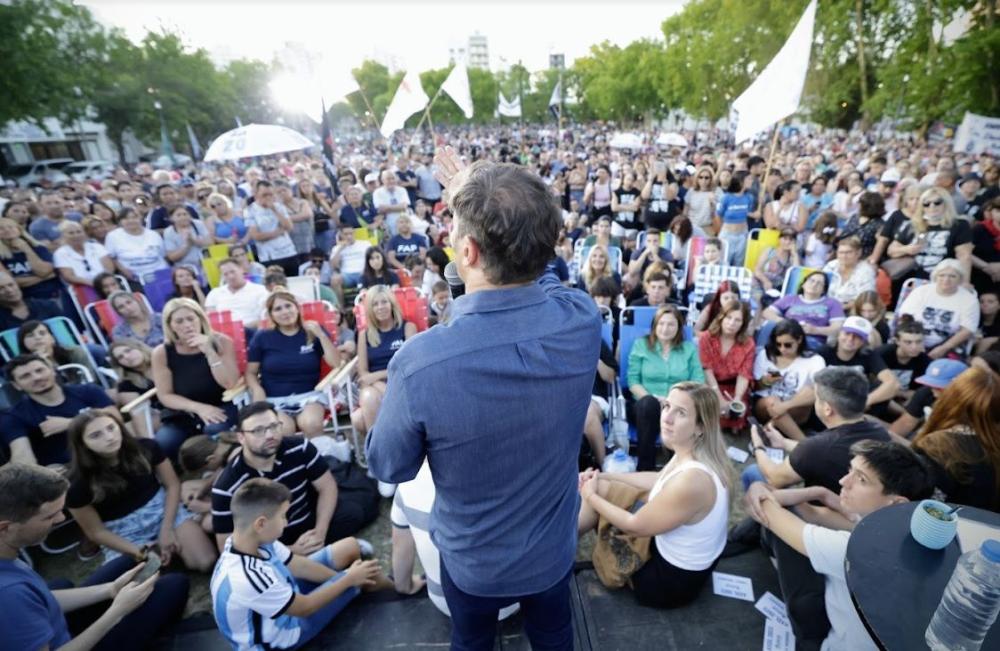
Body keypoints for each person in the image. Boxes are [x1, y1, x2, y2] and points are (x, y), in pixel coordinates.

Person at [367, 151, 601, 651]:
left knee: (471, 641)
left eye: (454, 232)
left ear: (468, 252)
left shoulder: (419, 363)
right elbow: (535, 278)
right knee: (555, 635)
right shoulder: (581, 318)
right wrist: (482, 198)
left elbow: (389, 464)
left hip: (474, 563)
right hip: (552, 552)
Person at [744, 440, 933, 651]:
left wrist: (756, 487)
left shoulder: (859, 549)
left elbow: (767, 512)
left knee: (761, 488)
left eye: (861, 479)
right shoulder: (904, 531)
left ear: (897, 503)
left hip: (827, 642)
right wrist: (819, 493)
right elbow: (818, 514)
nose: (844, 481)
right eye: (850, 470)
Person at [0, 463, 189, 651]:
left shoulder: (6, 553)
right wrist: (117, 612)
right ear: (5, 528)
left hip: (48, 625)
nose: (61, 519)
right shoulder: (9, 594)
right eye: (49, 517)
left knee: (125, 562)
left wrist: (110, 590)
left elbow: (41, 599)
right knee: (174, 585)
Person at [577, 383, 733, 608]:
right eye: (667, 406)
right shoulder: (695, 453)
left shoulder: (693, 480)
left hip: (665, 584)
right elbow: (657, 480)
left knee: (598, 496)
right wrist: (605, 478)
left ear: (700, 427)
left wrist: (590, 495)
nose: (666, 418)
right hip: (684, 568)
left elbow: (634, 525)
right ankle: (560, 545)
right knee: (601, 487)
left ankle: (553, 554)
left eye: (681, 413)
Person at [210, 477, 383, 651]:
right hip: (283, 636)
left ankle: (374, 584)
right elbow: (304, 608)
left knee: (349, 548)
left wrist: (341, 577)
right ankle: (402, 587)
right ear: (261, 523)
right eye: (283, 516)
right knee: (363, 575)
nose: (286, 522)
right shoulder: (247, 577)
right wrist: (347, 580)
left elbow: (298, 565)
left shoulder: (251, 541)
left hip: (285, 598)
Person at [211, 402, 378, 554]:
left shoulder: (300, 447)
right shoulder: (226, 485)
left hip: (308, 521)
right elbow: (226, 544)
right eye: (258, 430)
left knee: (352, 513)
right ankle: (323, 554)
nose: (269, 435)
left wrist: (320, 531)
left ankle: (322, 548)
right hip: (269, 540)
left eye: (274, 426)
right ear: (241, 437)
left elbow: (327, 487)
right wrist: (290, 552)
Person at [65, 411, 217, 570]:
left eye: (111, 428)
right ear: (82, 444)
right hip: (122, 532)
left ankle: (177, 548)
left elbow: (172, 485)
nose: (109, 437)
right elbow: (96, 532)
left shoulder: (145, 446)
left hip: (162, 511)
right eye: (96, 435)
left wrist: (167, 530)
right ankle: (171, 554)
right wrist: (139, 551)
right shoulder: (76, 483)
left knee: (205, 562)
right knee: (147, 580)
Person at [746, 366, 891, 493]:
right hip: (854, 513)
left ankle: (763, 524)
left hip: (819, 516)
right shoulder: (880, 432)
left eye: (816, 398)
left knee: (752, 472)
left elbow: (774, 478)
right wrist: (784, 442)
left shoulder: (819, 447)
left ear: (827, 409)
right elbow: (830, 454)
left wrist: (758, 446)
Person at [151, 298, 240, 458]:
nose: (187, 325)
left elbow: (229, 383)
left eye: (191, 318)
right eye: (179, 321)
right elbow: (165, 395)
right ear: (170, 326)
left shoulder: (222, 342)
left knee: (213, 431)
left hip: (221, 405)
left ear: (200, 319)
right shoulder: (161, 353)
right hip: (184, 412)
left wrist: (210, 353)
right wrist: (199, 408)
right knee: (163, 443)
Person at [246, 290, 340, 439]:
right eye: (278, 309)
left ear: (297, 308)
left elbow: (336, 363)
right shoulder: (263, 337)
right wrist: (256, 389)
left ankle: (316, 459)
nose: (285, 312)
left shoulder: (312, 331)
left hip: (310, 396)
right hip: (274, 399)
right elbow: (250, 372)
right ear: (271, 315)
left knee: (311, 424)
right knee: (283, 430)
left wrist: (321, 335)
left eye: (288, 306)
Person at [627, 305, 705, 471]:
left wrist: (671, 402)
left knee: (678, 412)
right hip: (644, 406)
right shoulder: (641, 345)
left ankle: (675, 470)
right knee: (649, 405)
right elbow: (633, 381)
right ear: (655, 325)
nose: (665, 329)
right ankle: (645, 468)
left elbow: (698, 381)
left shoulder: (688, 349)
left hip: (676, 405)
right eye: (661, 324)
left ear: (679, 328)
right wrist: (656, 400)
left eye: (671, 324)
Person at [912, 366, 1000, 511]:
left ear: (951, 398)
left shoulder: (935, 445)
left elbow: (922, 507)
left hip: (941, 528)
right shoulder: (993, 443)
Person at [351, 285, 417, 448]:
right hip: (376, 388)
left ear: (392, 304)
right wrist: (378, 380)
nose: (380, 307)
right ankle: (384, 451)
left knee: (360, 418)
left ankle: (379, 453)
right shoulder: (364, 335)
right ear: (370, 309)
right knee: (365, 403)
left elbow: (411, 365)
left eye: (384, 302)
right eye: (375, 304)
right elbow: (364, 375)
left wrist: (378, 375)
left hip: (403, 385)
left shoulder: (408, 328)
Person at [753, 319, 827, 441]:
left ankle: (770, 429)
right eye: (778, 344)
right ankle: (803, 442)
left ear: (799, 340)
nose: (782, 349)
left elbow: (820, 390)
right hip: (765, 406)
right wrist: (766, 381)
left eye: (788, 345)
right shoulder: (766, 355)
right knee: (772, 402)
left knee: (812, 389)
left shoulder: (814, 360)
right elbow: (756, 387)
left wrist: (785, 406)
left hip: (795, 409)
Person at [897, 258, 979, 359]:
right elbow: (905, 318)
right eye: (942, 275)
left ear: (960, 279)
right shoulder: (921, 292)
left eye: (952, 276)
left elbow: (967, 330)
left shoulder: (969, 300)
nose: (946, 280)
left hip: (948, 344)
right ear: (935, 277)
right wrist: (915, 343)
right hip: (914, 338)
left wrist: (943, 348)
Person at [818, 317, 900, 413]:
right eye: (847, 333)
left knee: (882, 387)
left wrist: (866, 401)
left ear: (863, 341)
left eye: (857, 336)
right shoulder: (823, 352)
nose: (850, 339)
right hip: (828, 399)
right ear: (839, 334)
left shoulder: (868, 355)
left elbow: (893, 383)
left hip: (856, 400)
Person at [699, 302, 755, 433]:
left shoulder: (748, 343)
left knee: (737, 414)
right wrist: (719, 398)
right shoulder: (707, 337)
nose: (732, 323)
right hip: (710, 384)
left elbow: (744, 374)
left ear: (743, 323)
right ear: (721, 318)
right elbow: (707, 370)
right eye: (728, 318)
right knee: (713, 414)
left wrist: (737, 399)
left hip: (734, 387)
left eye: (737, 320)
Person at [763, 270, 845, 350]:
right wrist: (786, 323)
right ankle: (761, 353)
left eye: (819, 283)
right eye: (811, 280)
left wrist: (815, 330)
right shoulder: (790, 298)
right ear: (803, 284)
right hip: (785, 334)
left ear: (823, 290)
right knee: (769, 325)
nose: (814, 284)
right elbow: (767, 312)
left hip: (810, 339)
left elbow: (838, 327)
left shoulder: (832, 303)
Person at [245, 180, 300, 277]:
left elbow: (289, 227)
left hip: (289, 253)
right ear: (256, 194)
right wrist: (278, 232)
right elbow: (256, 236)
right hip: (269, 257)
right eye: (264, 195)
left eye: (271, 194)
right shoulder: (250, 210)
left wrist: (274, 209)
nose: (268, 198)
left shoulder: (279, 207)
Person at [0, 216, 63, 300]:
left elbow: (43, 271)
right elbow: (10, 282)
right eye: (1, 228)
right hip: (27, 298)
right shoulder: (1, 257)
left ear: (19, 230)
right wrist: (46, 277)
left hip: (54, 293)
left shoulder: (39, 248)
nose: (7, 230)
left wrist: (26, 249)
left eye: (11, 227)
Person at [103, 207, 169, 284]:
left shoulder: (153, 234)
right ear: (120, 221)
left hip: (159, 273)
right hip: (134, 278)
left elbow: (163, 255)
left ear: (141, 218)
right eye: (126, 218)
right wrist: (123, 270)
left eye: (134, 217)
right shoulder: (113, 236)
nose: (131, 221)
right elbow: (112, 257)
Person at [204, 258, 270, 329]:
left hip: (253, 331)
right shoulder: (214, 293)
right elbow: (210, 319)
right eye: (226, 274)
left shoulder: (260, 290)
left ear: (242, 270)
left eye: (233, 272)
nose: (230, 276)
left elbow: (265, 317)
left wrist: (239, 328)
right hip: (224, 334)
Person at [53, 220, 115, 286]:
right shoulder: (60, 253)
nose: (76, 235)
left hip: (107, 283)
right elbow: (69, 276)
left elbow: (109, 268)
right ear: (63, 236)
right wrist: (93, 283)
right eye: (71, 233)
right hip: (82, 286)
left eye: (79, 232)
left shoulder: (97, 246)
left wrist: (103, 282)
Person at [823, 236, 876, 307]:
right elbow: (821, 287)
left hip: (852, 310)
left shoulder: (866, 271)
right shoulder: (831, 266)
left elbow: (865, 298)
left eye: (848, 252)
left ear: (858, 253)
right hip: (826, 306)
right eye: (841, 252)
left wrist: (840, 308)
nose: (844, 256)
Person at [163, 204, 213, 269]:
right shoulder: (169, 232)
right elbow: (172, 257)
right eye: (179, 215)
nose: (183, 217)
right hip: (185, 267)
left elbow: (210, 242)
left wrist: (194, 240)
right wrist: (186, 245)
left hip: (205, 263)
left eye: (185, 214)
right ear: (171, 218)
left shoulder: (198, 224)